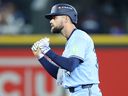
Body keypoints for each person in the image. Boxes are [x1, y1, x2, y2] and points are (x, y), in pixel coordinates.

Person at [31, 3, 102, 96]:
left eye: (54, 17)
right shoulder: (72, 41)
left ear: (66, 18)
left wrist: (47, 50)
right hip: (79, 91)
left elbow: (70, 65)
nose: (51, 21)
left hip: (85, 91)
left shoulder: (79, 37)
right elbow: (60, 75)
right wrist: (40, 56)